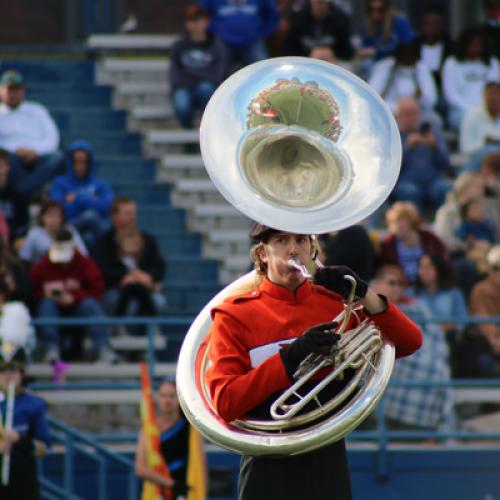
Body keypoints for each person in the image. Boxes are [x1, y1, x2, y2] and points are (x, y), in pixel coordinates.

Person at [205, 222, 422, 500]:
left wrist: (363, 292)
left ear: (313, 248)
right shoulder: (235, 315)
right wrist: (290, 357)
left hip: (327, 453)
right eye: (281, 240)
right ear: (262, 253)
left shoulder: (334, 304)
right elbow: (225, 402)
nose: (293, 249)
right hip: (266, 459)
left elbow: (410, 341)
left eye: (300, 240)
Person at [371, 265, 453, 432]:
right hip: (386, 364)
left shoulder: (416, 308)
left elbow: (434, 339)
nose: (396, 288)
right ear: (377, 284)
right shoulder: (365, 304)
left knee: (437, 370)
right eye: (391, 283)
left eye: (400, 284)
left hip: (417, 362)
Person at [29, 228, 115, 363]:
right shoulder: (43, 265)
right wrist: (46, 294)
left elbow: (97, 291)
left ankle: (102, 347)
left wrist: (74, 297)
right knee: (46, 304)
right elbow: (31, 291)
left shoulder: (85, 263)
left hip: (77, 308)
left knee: (90, 304)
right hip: (53, 309)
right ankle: (50, 349)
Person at [92, 197, 166, 317]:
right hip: (115, 288)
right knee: (125, 304)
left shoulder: (147, 239)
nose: (133, 217)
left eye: (133, 213)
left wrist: (148, 277)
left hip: (144, 286)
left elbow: (159, 265)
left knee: (158, 301)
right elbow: (102, 269)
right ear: (114, 216)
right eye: (127, 213)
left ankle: (146, 332)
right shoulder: (103, 242)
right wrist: (127, 276)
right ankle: (120, 330)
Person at [135, 378, 206, 499]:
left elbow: (201, 466)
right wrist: (171, 484)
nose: (167, 400)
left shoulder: (191, 430)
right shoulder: (148, 430)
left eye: (172, 396)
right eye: (163, 396)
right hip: (157, 492)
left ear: (179, 398)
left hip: (186, 491)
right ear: (158, 399)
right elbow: (140, 468)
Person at [0, 70, 63, 197]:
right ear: (1, 91)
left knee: (57, 157)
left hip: (38, 155)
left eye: (17, 90)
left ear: (23, 91)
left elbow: (53, 137)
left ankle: (25, 190)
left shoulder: (37, 110)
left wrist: (35, 151)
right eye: (9, 90)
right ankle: (34, 192)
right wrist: (15, 150)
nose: (13, 94)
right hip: (10, 156)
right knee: (6, 162)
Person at [169, 5, 229, 130]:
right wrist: (201, 74)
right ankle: (188, 132)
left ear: (207, 22)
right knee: (182, 104)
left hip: (206, 87)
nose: (195, 24)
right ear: (187, 23)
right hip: (184, 87)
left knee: (206, 89)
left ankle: (205, 129)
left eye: (199, 20)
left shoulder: (218, 47)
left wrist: (190, 72)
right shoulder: (178, 46)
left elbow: (218, 76)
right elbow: (175, 76)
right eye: (192, 20)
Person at [0, 358, 51, 499]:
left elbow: (44, 447)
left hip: (22, 477)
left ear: (21, 374)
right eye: (3, 371)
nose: (8, 376)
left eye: (13, 371)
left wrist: (19, 439)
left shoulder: (33, 404)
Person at [49, 140, 114, 249]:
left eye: (84, 161)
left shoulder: (101, 184)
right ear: (70, 162)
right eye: (76, 161)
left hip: (95, 231)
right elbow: (59, 210)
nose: (80, 165)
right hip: (69, 227)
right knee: (90, 216)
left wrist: (77, 199)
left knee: (89, 234)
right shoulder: (59, 183)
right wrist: (92, 200)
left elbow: (108, 208)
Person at [390, 97, 451, 212]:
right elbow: (391, 169)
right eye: (407, 114)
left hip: (433, 181)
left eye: (415, 113)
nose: (412, 118)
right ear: (398, 116)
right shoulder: (393, 136)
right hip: (406, 181)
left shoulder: (431, 133)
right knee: (409, 191)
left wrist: (435, 147)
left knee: (445, 188)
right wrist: (407, 148)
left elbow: (445, 163)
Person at [378, 201, 450, 286]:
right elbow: (381, 269)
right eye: (392, 222)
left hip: (431, 287)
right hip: (403, 288)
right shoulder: (388, 245)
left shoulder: (429, 238)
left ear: (412, 220)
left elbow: (444, 259)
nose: (397, 225)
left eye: (400, 220)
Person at [442, 29, 499, 129]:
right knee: (472, 120)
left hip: (490, 109)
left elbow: (495, 90)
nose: (476, 47)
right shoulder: (452, 63)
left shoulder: (492, 63)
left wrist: (486, 110)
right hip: (460, 110)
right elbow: (451, 94)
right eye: (472, 44)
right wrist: (472, 110)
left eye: (479, 44)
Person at [197, 0, 279, 69]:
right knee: (216, 73)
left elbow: (272, 15)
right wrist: (213, 32)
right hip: (223, 42)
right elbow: (202, 11)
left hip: (253, 41)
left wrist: (262, 32)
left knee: (263, 69)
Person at [368, 43, 438, 117]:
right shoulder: (384, 66)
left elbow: (431, 99)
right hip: (388, 113)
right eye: (404, 61)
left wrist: (412, 106)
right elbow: (372, 98)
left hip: (415, 112)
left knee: (434, 118)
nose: (406, 65)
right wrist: (398, 108)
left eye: (409, 62)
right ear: (397, 59)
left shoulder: (421, 67)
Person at [414, 253, 468, 343]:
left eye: (429, 267)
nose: (424, 271)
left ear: (438, 269)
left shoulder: (453, 293)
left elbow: (462, 321)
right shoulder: (411, 294)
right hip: (418, 340)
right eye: (421, 267)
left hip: (447, 339)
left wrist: (439, 328)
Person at [19, 200, 87, 267]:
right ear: (42, 217)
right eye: (50, 215)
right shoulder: (34, 234)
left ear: (62, 217)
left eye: (57, 215)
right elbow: (25, 258)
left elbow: (84, 255)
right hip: (42, 273)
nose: (53, 219)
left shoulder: (69, 231)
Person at [358, 0, 415, 78]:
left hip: (397, 62)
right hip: (377, 63)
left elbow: (409, 46)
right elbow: (365, 49)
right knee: (366, 64)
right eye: (371, 10)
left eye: (380, 10)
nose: (375, 14)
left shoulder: (399, 22)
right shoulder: (368, 26)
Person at [411, 5, 454, 105]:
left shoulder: (451, 46)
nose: (432, 27)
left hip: (443, 90)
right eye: (428, 23)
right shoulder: (414, 46)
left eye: (435, 23)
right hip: (421, 89)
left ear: (441, 24)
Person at [467, 245, 500, 376]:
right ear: (489, 270)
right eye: (495, 269)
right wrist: (494, 340)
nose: (498, 273)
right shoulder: (479, 289)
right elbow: (481, 319)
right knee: (484, 362)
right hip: (484, 340)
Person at [284, 0, 354, 61]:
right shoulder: (297, 19)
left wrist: (331, 54)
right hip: (305, 63)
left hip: (333, 63)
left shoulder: (341, 19)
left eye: (323, 2)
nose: (320, 5)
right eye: (318, 2)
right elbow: (288, 51)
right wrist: (309, 55)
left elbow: (348, 53)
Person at [459, 82, 500, 169]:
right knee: (490, 151)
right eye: (490, 94)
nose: (494, 98)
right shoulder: (472, 115)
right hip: (477, 162)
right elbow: (466, 148)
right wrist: (484, 143)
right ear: (483, 95)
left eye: (496, 94)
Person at [0, 148, 29, 245]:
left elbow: (23, 224)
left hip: (13, 240)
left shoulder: (18, 195)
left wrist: (18, 239)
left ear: (8, 167)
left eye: (1, 165)